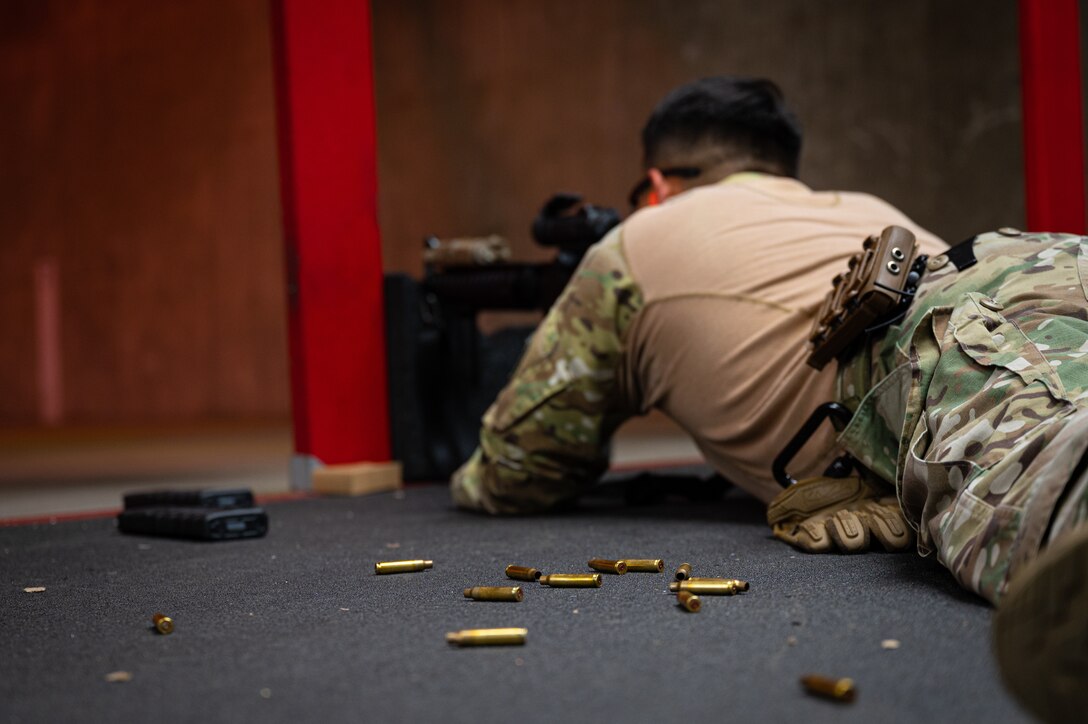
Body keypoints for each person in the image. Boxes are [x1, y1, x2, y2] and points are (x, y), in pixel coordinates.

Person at [449, 76, 1087, 720]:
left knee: (1060, 519)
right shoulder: (860, 205)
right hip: (1042, 264)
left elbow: (515, 470)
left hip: (945, 337)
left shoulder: (631, 246)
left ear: (657, 185)